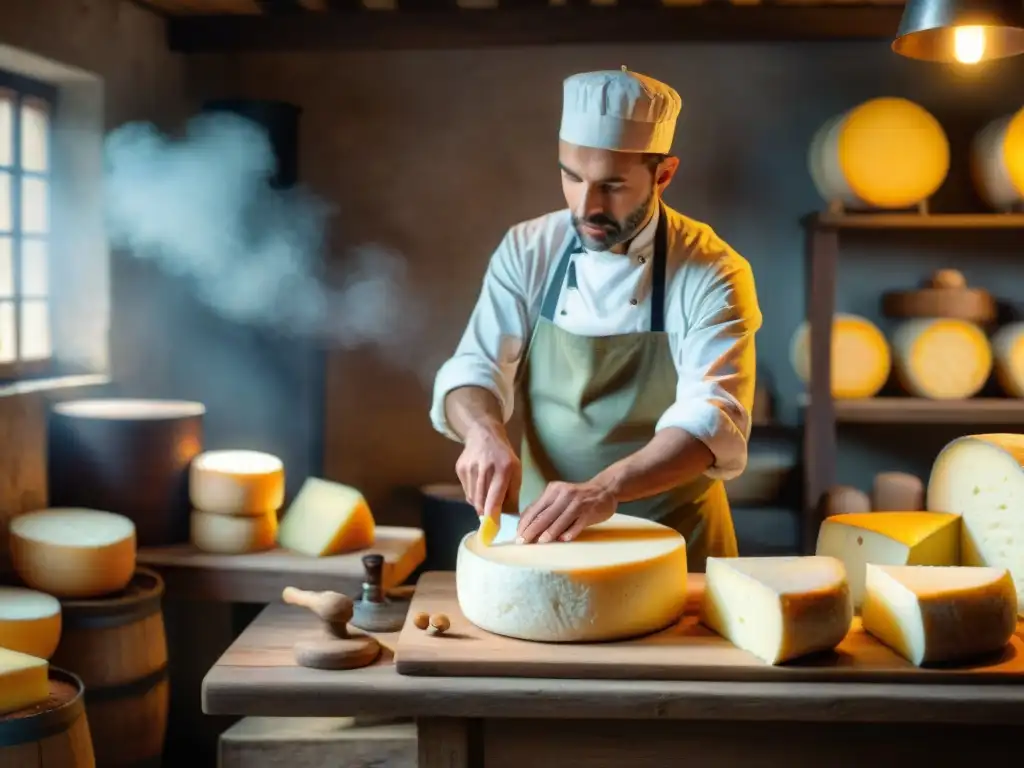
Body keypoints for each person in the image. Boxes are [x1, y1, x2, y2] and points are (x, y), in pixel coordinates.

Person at [429, 67, 762, 571]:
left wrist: (605, 489)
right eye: (572, 176)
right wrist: (482, 432)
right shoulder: (528, 249)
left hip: (675, 547)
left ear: (664, 174)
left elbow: (710, 418)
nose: (587, 206)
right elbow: (475, 367)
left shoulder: (713, 272)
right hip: (548, 542)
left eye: (612, 185)